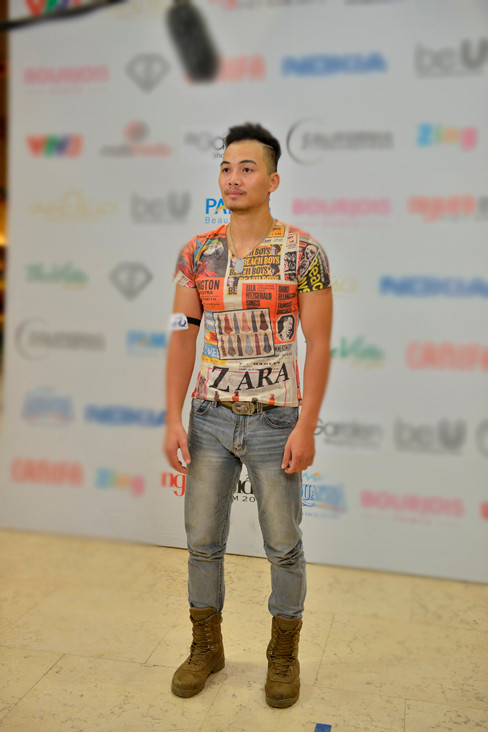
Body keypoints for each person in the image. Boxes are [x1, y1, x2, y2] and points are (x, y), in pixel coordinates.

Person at [164, 122, 332, 708]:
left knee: (283, 543)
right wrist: (172, 417)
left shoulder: (303, 253)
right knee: (201, 541)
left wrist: (306, 424)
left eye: (248, 168)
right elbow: (182, 334)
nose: (233, 178)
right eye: (226, 168)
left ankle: (283, 655)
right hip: (209, 417)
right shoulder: (196, 253)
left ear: (273, 180)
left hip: (276, 420)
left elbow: (319, 343)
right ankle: (205, 647)